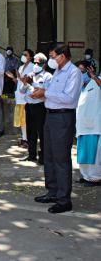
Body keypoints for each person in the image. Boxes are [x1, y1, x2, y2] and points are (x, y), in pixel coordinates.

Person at [33, 44, 82, 214]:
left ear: (62, 55)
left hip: (63, 117)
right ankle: (52, 191)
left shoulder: (73, 72)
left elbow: (69, 98)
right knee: (49, 155)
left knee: (61, 158)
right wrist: (42, 91)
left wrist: (45, 93)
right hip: (50, 115)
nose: (51, 60)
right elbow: (53, 93)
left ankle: (64, 200)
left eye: (53, 56)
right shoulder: (58, 72)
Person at [19, 53, 52, 164]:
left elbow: (47, 93)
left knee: (42, 133)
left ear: (43, 64)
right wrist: (25, 83)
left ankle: (43, 157)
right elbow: (22, 91)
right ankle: (31, 154)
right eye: (35, 62)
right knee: (30, 132)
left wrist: (35, 89)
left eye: (39, 63)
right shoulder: (29, 75)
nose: (36, 65)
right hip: (29, 106)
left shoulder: (47, 76)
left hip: (40, 107)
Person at [76, 66, 101, 186]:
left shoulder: (97, 81)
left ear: (89, 71)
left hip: (93, 126)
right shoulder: (82, 86)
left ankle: (95, 178)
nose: (80, 74)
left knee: (94, 154)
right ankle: (86, 176)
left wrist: (94, 77)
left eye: (82, 71)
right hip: (82, 126)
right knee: (83, 153)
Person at [5, 49, 34, 148]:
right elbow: (18, 82)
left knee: (27, 120)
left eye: (25, 55)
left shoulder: (32, 67)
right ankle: (24, 138)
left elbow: (27, 81)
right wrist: (13, 77)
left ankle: (28, 140)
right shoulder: (21, 67)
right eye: (23, 54)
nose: (23, 56)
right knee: (22, 121)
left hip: (27, 97)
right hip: (20, 96)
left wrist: (19, 77)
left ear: (30, 57)